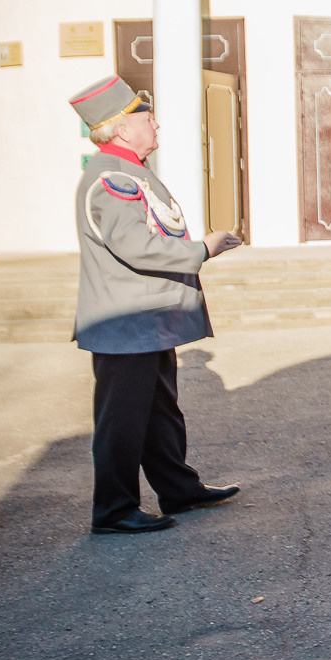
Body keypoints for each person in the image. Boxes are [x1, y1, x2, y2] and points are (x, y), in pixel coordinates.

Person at [69, 75, 246, 536]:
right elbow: (137, 247)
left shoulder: (125, 170)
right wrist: (203, 249)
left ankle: (179, 490)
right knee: (121, 422)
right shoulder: (111, 177)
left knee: (160, 411)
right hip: (127, 321)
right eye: (148, 119)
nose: (157, 126)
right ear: (124, 130)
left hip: (145, 320)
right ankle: (113, 510)